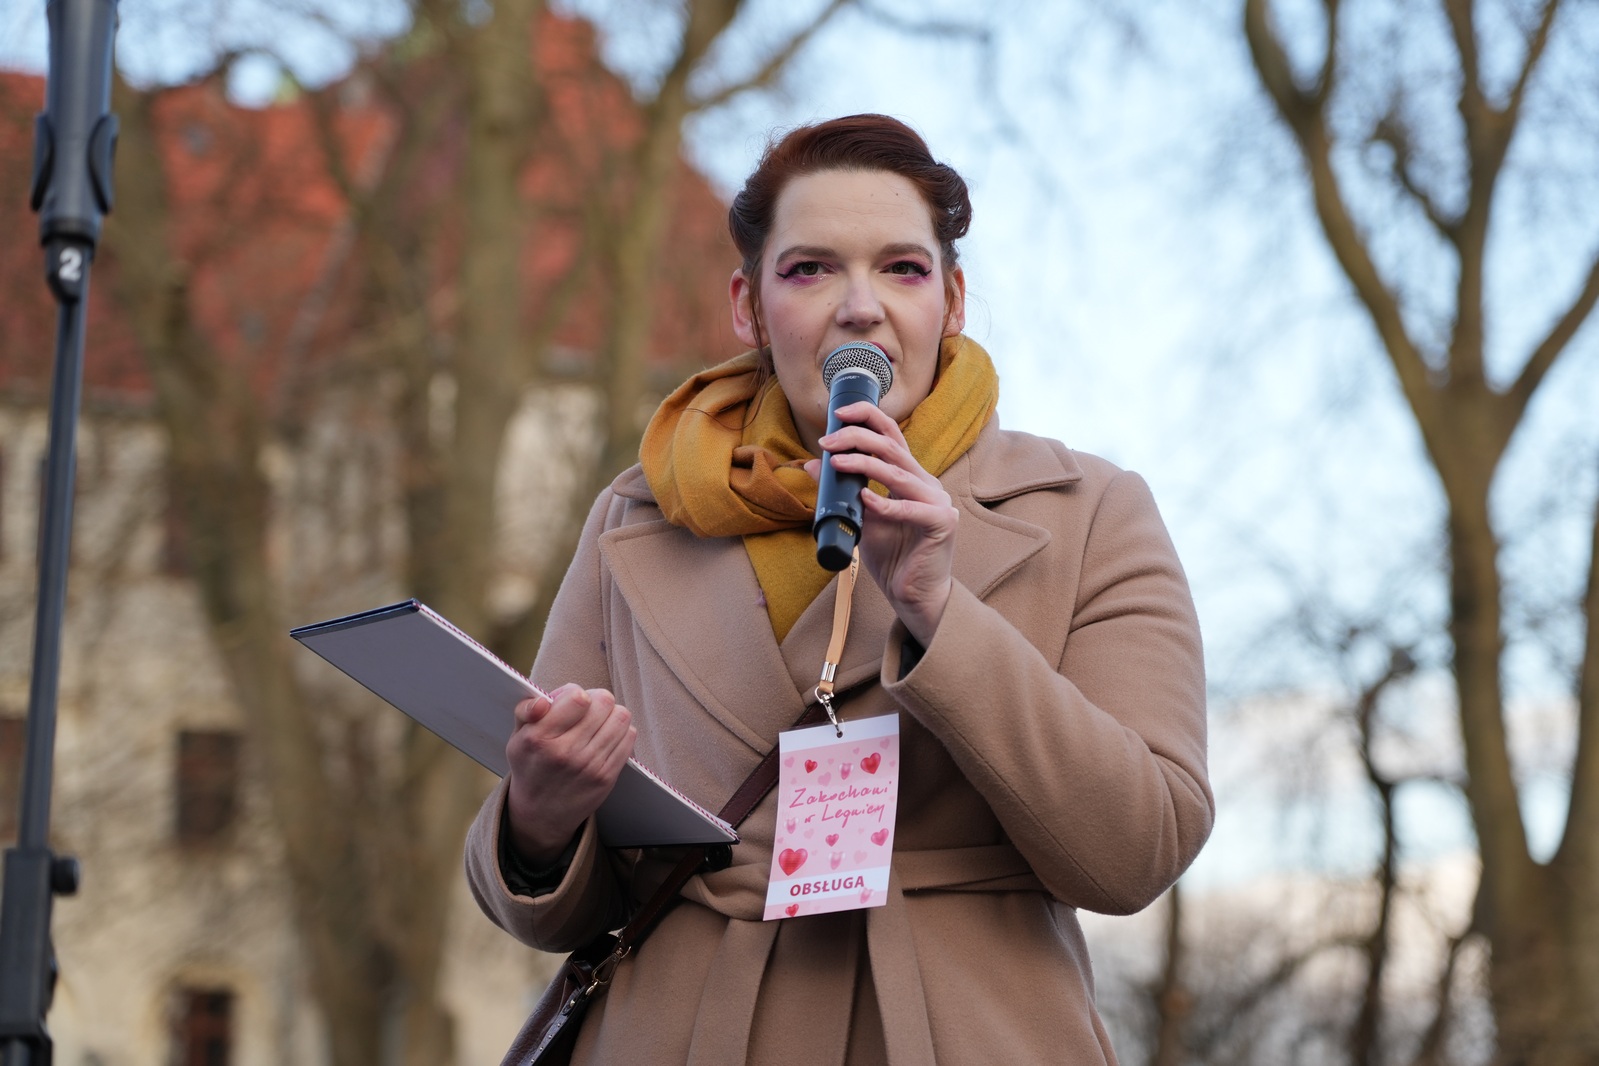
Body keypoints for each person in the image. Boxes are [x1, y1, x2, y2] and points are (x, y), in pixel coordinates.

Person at [465, 114, 1212, 1065]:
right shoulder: (634, 516)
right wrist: (538, 818)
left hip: (963, 1031)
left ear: (952, 301)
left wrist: (942, 616)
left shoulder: (1089, 511)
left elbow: (1136, 849)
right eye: (810, 269)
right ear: (747, 303)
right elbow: (543, 902)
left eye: (902, 268)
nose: (859, 307)